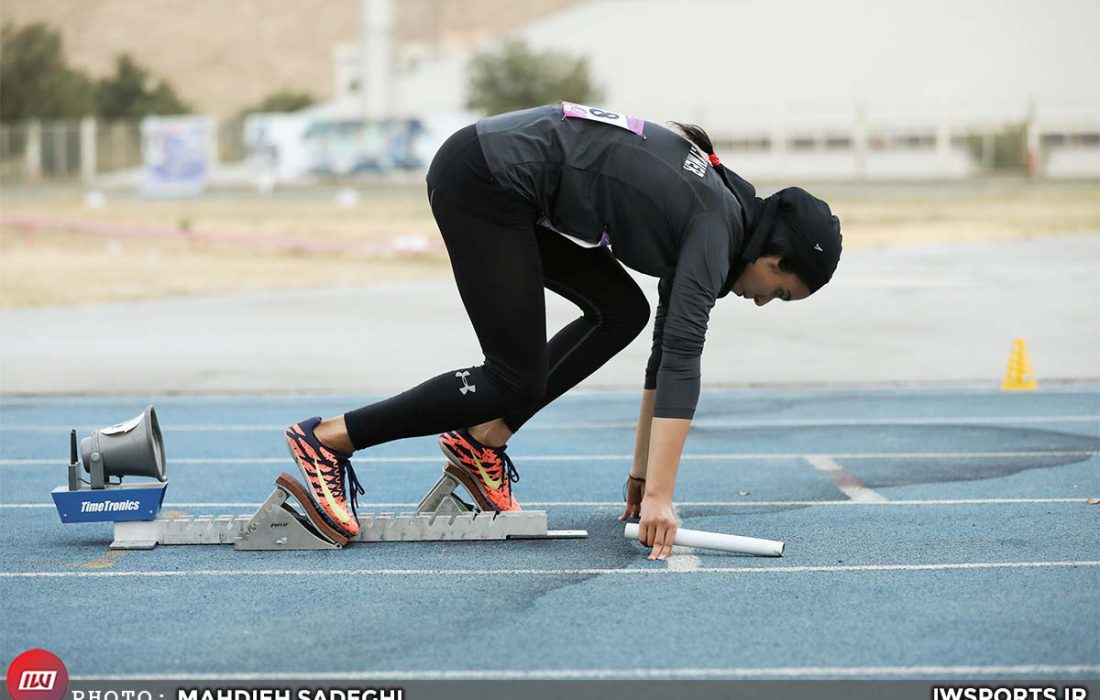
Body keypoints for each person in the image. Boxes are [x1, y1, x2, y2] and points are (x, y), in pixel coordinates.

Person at [283, 102, 842, 561]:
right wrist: (662, 498)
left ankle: (482, 442)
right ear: (773, 255)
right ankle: (328, 440)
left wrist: (645, 478)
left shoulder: (727, 216)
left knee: (623, 312)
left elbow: (663, 355)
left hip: (508, 183)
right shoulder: (713, 229)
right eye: (780, 290)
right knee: (513, 377)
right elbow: (681, 365)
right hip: (481, 180)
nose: (766, 301)